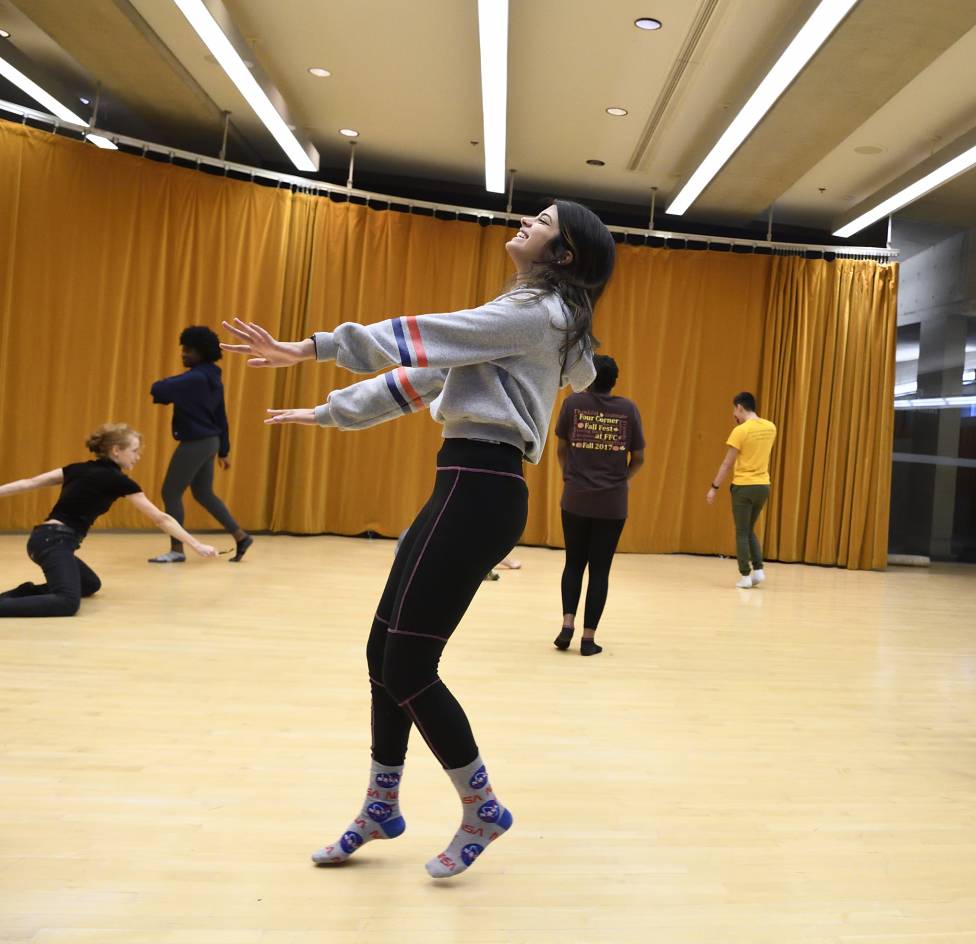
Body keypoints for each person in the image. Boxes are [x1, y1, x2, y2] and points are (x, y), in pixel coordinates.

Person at [221, 200, 613, 879]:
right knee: (383, 651)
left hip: (481, 490)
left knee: (408, 667)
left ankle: (482, 805)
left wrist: (310, 347)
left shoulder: (535, 315)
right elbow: (421, 377)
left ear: (565, 252)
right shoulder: (522, 318)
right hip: (461, 482)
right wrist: (330, 413)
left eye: (543, 219)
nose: (526, 220)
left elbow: (420, 335)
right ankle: (382, 803)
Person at [0, 423, 220, 616]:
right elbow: (161, 518)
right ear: (116, 450)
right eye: (134, 451)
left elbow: (29, 482)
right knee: (67, 602)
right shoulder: (119, 481)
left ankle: (19, 595)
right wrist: (196, 544)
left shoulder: (77, 469)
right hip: (54, 543)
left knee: (89, 584)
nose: (138, 456)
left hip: (45, 539)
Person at [553, 354, 645, 656]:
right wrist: (623, 479)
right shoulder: (628, 409)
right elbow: (639, 458)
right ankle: (588, 639)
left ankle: (567, 624)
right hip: (612, 504)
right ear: (614, 381)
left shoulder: (573, 404)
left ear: (589, 377)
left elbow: (562, 448)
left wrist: (569, 474)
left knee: (573, 563)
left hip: (575, 498)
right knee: (600, 571)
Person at [148, 325, 253, 563]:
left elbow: (159, 389)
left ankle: (177, 550)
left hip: (196, 442)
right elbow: (221, 416)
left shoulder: (194, 378)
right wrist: (223, 450)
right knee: (203, 493)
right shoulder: (211, 376)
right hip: (211, 442)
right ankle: (240, 536)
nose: (184, 353)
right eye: (183, 349)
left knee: (170, 492)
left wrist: (171, 384)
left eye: (190, 350)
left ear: (203, 352)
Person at [705, 391, 776, 588]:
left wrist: (714, 487)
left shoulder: (741, 431)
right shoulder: (771, 427)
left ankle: (745, 575)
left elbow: (727, 464)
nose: (733, 415)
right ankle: (759, 570)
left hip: (744, 486)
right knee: (749, 529)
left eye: (734, 410)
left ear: (739, 407)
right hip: (763, 485)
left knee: (741, 532)